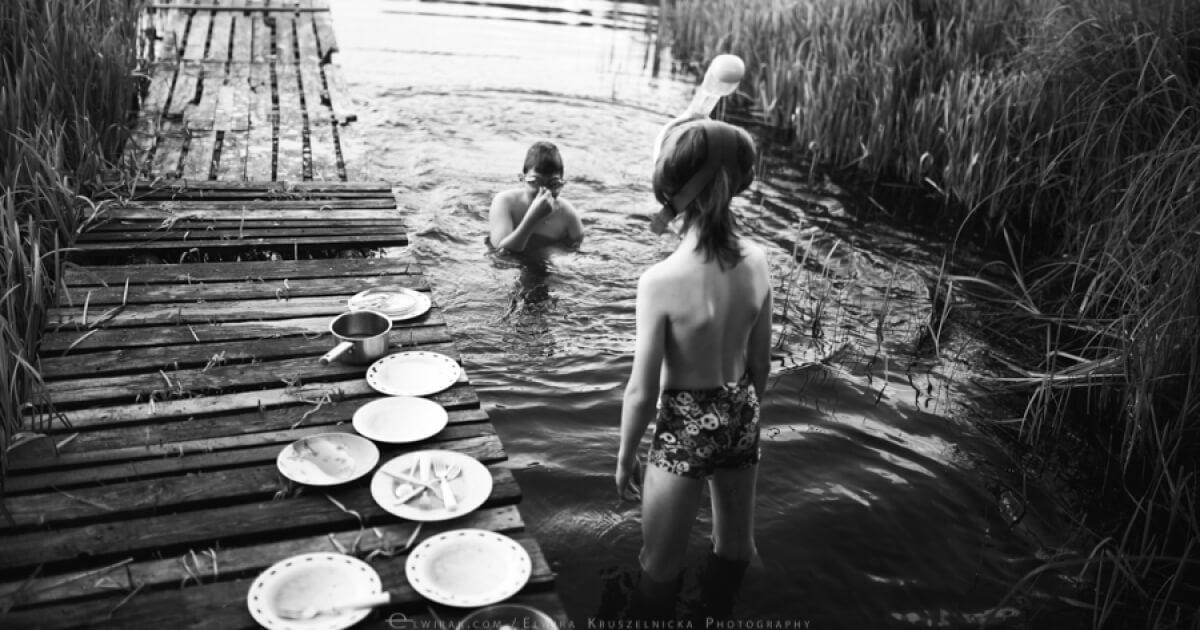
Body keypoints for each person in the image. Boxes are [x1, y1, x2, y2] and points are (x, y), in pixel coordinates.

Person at [614, 119, 772, 621]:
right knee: (734, 547)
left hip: (685, 424)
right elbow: (761, 364)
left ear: (674, 188)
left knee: (658, 567)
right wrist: (739, 418)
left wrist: (624, 456)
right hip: (741, 410)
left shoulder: (659, 280)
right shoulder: (759, 261)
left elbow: (642, 390)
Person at [488, 141, 584, 253]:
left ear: (562, 184)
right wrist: (532, 218)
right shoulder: (505, 202)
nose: (544, 191)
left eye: (553, 184)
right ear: (522, 178)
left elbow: (576, 253)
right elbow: (500, 253)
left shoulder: (568, 216)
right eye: (536, 182)